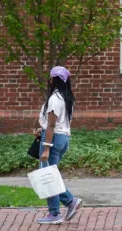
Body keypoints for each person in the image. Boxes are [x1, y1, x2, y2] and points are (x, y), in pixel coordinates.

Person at [35, 66, 83, 225]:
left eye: (50, 77)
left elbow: (51, 126)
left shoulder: (55, 98)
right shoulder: (67, 98)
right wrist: (41, 130)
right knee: (51, 175)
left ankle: (60, 209)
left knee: (48, 177)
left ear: (54, 79)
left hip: (53, 139)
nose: (48, 80)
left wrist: (47, 147)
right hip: (63, 138)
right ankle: (64, 206)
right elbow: (54, 123)